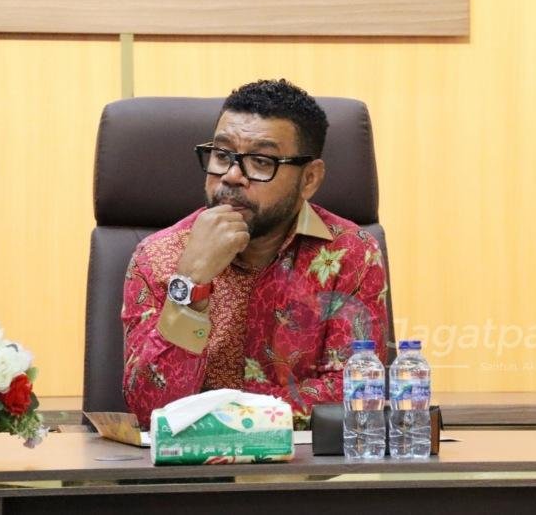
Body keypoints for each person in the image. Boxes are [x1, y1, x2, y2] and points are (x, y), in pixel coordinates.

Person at [122, 79, 388, 427]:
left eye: (261, 161)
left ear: (309, 179)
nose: (232, 176)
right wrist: (190, 284)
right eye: (222, 156)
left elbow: (355, 392)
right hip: (192, 464)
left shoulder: (351, 253)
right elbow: (151, 409)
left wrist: (222, 414)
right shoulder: (158, 256)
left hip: (303, 462)